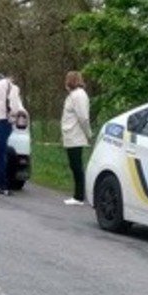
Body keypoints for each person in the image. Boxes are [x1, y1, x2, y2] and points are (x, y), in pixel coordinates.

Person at [61, 71, 93, 205]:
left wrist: (89, 134)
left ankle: (79, 196)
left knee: (76, 165)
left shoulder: (79, 95)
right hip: (70, 135)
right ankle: (78, 194)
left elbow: (83, 118)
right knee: (74, 165)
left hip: (76, 135)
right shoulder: (73, 95)